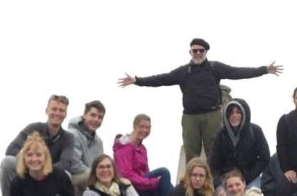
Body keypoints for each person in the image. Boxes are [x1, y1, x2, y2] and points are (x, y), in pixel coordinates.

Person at [118, 38, 283, 162]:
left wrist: (264, 70)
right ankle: (191, 189)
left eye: (201, 50)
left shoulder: (215, 68)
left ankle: (213, 187)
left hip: (211, 115)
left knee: (213, 152)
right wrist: (137, 80)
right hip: (190, 117)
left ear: (206, 52)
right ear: (190, 52)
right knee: (191, 154)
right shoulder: (183, 72)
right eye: (194, 50)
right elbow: (160, 79)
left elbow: (238, 72)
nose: (198, 53)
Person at [0, 94, 76, 196]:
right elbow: (11, 149)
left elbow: (66, 163)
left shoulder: (68, 138)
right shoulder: (33, 128)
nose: (57, 113)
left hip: (51, 177)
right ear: (47, 110)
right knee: (7, 162)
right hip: (28, 171)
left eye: (61, 110)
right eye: (54, 109)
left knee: (67, 175)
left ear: (66, 114)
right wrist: (29, 164)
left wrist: (42, 169)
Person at [209, 98, 271, 196]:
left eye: (238, 112)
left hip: (250, 177)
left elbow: (264, 158)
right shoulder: (221, 135)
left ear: (245, 114)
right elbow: (213, 164)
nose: (234, 115)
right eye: (231, 112)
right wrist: (218, 186)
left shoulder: (256, 131)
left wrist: (247, 176)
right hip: (228, 179)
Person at [113, 114, 173, 196]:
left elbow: (146, 171)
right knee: (163, 172)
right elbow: (125, 175)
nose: (145, 130)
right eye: (141, 127)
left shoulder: (142, 148)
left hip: (141, 187)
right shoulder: (124, 147)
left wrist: (153, 182)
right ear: (134, 127)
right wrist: (150, 183)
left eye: (148, 127)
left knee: (167, 184)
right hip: (129, 191)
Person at [67, 100, 106, 196]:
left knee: (122, 181)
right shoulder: (72, 135)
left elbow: (102, 163)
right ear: (84, 115)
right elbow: (74, 165)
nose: (96, 119)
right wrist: (97, 175)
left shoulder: (99, 142)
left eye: (100, 117)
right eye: (93, 115)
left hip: (92, 176)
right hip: (75, 177)